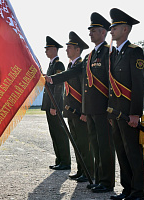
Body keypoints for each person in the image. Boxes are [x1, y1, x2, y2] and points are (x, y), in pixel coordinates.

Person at [108, 8, 144, 200]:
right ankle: (127, 189)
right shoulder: (114, 54)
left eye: (114, 27)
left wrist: (135, 114)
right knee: (122, 152)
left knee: (133, 153)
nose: (111, 30)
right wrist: (110, 114)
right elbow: (110, 86)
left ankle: (138, 193)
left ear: (125, 29)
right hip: (115, 114)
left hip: (128, 114)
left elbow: (138, 86)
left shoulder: (134, 52)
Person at [45, 31, 94, 180]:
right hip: (71, 111)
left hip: (79, 111)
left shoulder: (80, 65)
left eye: (69, 47)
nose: (66, 50)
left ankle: (88, 172)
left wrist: (85, 111)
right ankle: (81, 170)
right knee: (77, 143)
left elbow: (84, 91)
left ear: (77, 50)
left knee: (84, 143)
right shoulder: (70, 64)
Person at [82, 12, 115, 193]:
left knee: (105, 146)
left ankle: (107, 182)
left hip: (103, 109)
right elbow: (77, 73)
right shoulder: (90, 55)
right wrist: (52, 79)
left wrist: (111, 108)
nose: (90, 34)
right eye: (90, 31)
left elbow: (112, 82)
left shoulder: (108, 52)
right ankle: (98, 178)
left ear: (103, 33)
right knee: (95, 145)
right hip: (92, 109)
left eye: (93, 31)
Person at [41, 36, 71, 170]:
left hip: (55, 105)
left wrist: (54, 106)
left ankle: (65, 161)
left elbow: (59, 87)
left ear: (54, 49)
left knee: (60, 133)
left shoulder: (59, 65)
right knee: (54, 133)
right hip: (49, 104)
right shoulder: (51, 64)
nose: (46, 51)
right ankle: (59, 160)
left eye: (47, 49)